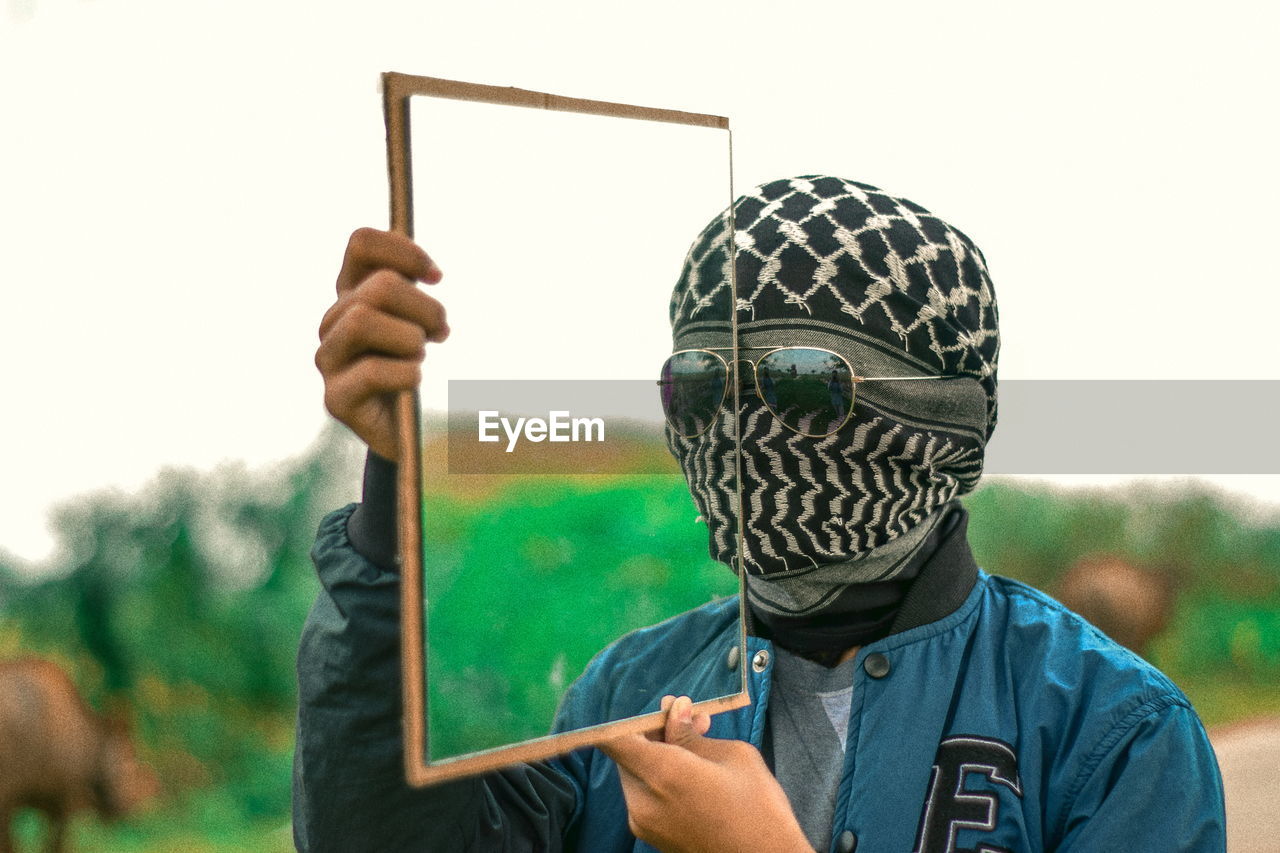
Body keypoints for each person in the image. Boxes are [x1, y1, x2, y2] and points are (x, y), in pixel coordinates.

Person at [294, 176, 1227, 852]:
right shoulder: (628, 689)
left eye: (803, 384)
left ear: (953, 421)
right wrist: (390, 487)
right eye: (697, 387)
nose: (741, 429)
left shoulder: (1115, 734)